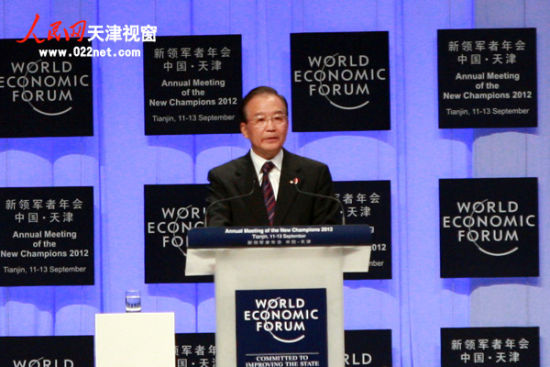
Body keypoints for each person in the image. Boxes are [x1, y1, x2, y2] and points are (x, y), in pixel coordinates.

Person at [205, 86, 340, 226]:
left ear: (287, 124)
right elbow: (217, 236)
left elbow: (329, 234)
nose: (271, 127)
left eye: (278, 118)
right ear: (244, 130)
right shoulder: (224, 178)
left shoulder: (315, 174)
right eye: (260, 120)